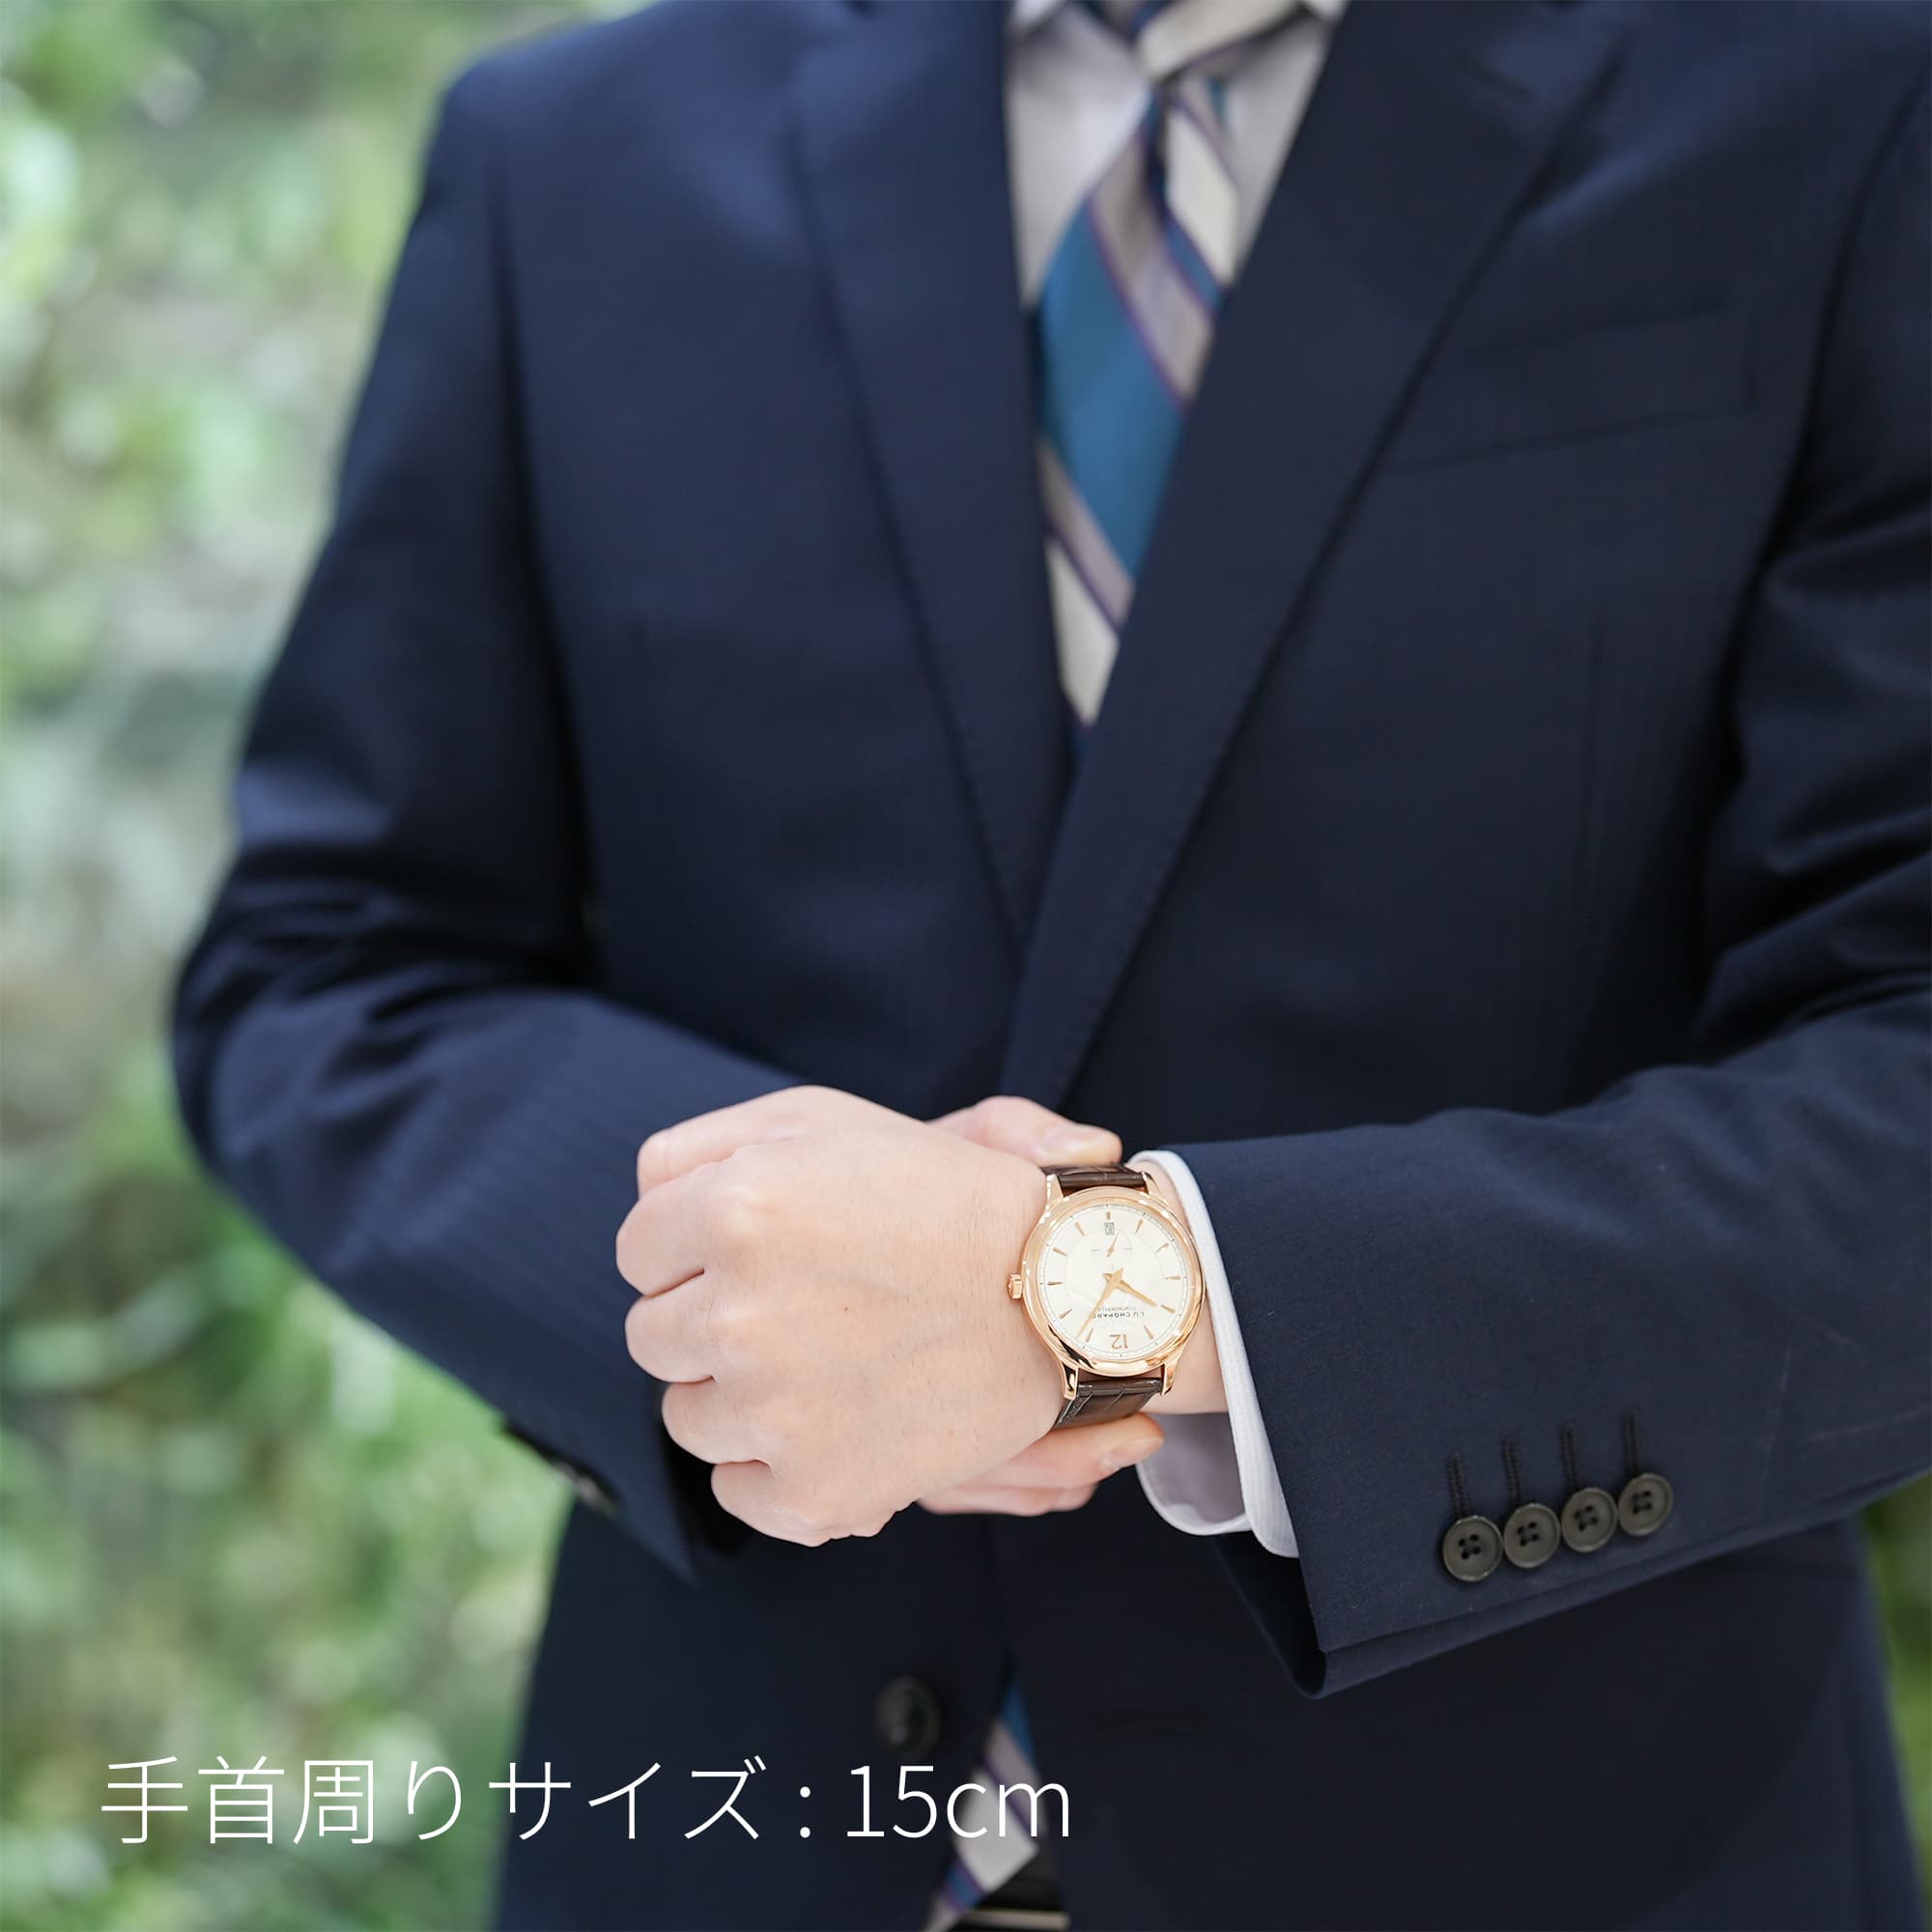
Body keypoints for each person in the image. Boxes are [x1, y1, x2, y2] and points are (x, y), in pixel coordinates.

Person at [173, 0, 1931, 1926]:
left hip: (1579, 1842)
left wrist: (1118, 1302)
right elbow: (331, 966)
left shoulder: (1847, 95)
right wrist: (744, 1269)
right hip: (731, 1824)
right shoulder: (569, 153)